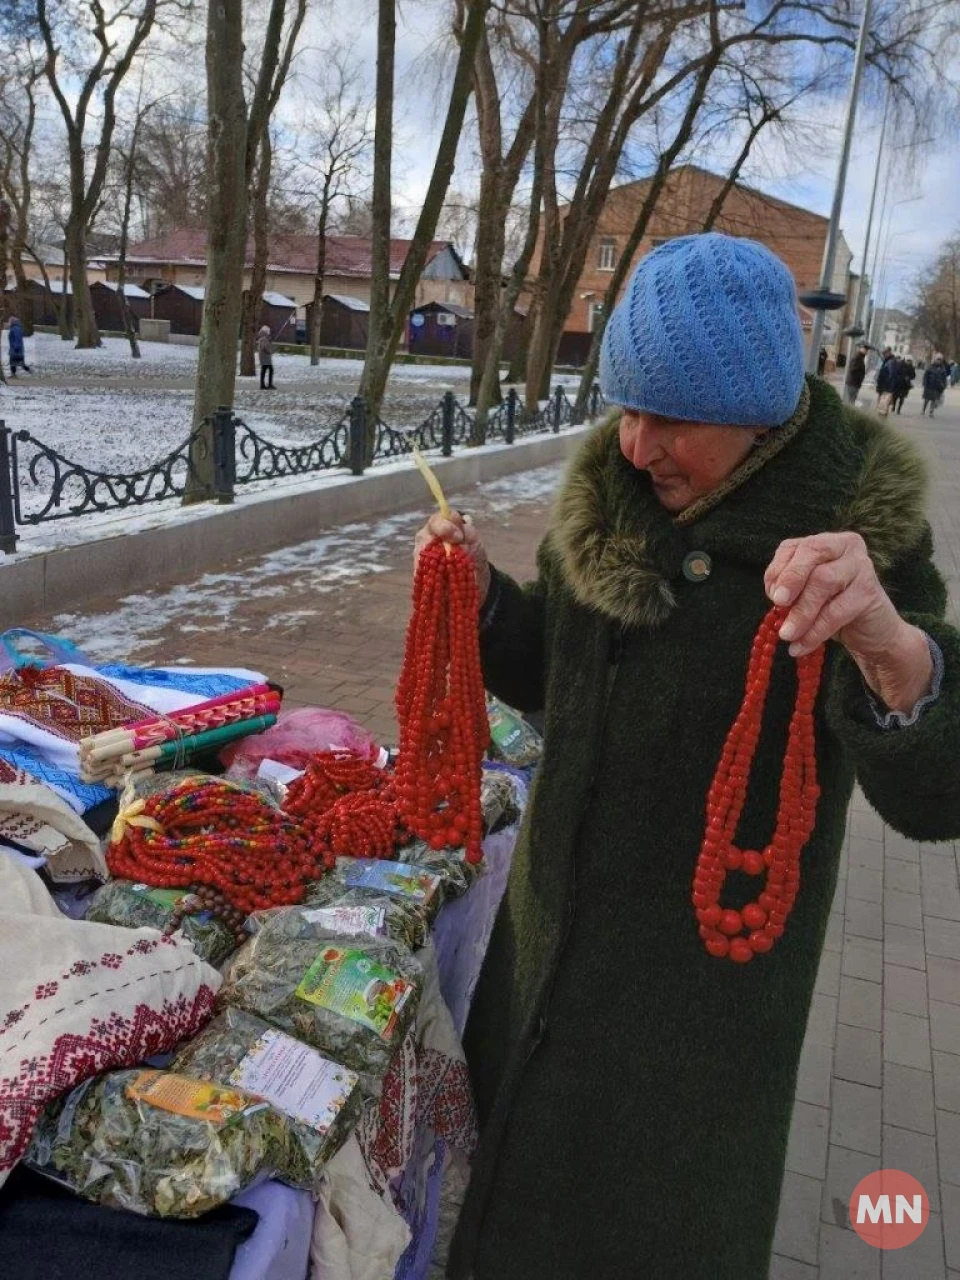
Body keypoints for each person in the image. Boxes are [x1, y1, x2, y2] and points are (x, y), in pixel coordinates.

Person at [416, 234, 960, 1280]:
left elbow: (936, 793)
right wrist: (482, 599)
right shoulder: (609, 496)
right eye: (625, 406)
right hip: (543, 960)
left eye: (670, 418)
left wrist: (896, 649)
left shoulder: (857, 537)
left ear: (756, 410)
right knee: (505, 1209)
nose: (635, 444)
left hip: (696, 1021)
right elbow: (557, 679)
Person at [257, 325, 274, 389]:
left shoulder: (262, 338)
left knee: (264, 370)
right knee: (270, 370)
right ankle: (269, 385)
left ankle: (262, 385)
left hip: (263, 357)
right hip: (265, 358)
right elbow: (265, 348)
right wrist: (270, 351)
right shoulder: (264, 339)